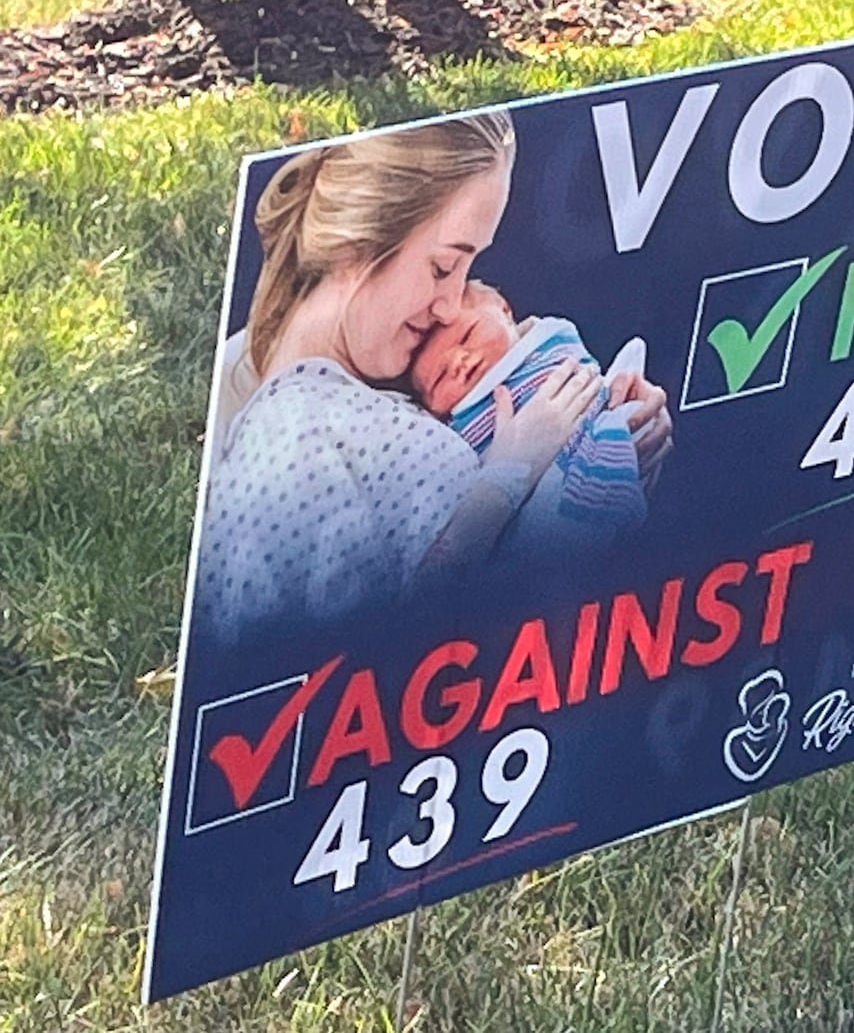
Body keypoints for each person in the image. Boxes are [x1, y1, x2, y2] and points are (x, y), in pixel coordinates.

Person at [193, 111, 671, 642]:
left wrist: (605, 447)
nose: (450, 306)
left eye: (467, 273)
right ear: (359, 242)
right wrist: (515, 468)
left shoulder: (361, 380)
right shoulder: (300, 433)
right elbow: (374, 655)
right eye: (443, 268)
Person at [409, 279, 648, 540]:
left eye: (468, 336)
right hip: (532, 494)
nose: (459, 362)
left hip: (596, 424)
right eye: (440, 376)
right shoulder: (441, 435)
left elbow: (588, 373)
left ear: (504, 309)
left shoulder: (547, 338)